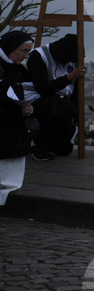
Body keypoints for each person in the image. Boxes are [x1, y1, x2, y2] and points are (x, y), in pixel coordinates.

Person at [23, 33, 84, 160]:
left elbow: (75, 92)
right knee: (65, 108)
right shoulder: (38, 56)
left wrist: (77, 117)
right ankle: (37, 144)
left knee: (64, 149)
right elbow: (43, 88)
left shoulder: (72, 61)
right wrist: (69, 77)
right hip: (36, 99)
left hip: (59, 103)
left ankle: (32, 137)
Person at [1, 31, 35, 204]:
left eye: (28, 52)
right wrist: (18, 112)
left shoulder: (13, 68)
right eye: (22, 51)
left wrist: (25, 109)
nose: (25, 56)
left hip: (12, 130)